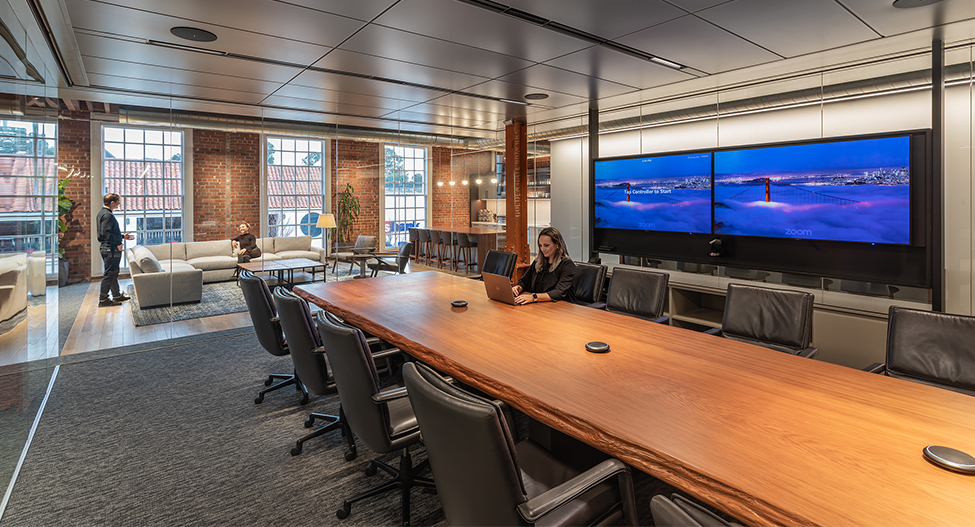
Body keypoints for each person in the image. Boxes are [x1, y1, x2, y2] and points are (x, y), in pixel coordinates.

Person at [512, 226, 577, 305]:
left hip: (561, 308)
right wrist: (518, 287)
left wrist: (534, 297)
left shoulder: (567, 264)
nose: (542, 249)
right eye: (540, 245)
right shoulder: (538, 262)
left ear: (557, 244)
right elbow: (524, 281)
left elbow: (559, 292)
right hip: (540, 305)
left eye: (546, 245)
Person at [96, 193, 134, 307]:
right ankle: (103, 300)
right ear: (112, 202)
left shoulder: (103, 213)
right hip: (110, 249)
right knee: (109, 274)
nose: (119, 204)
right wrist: (117, 243)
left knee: (113, 273)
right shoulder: (108, 215)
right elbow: (105, 235)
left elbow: (109, 233)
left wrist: (122, 237)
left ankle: (116, 295)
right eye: (118, 201)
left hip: (108, 248)